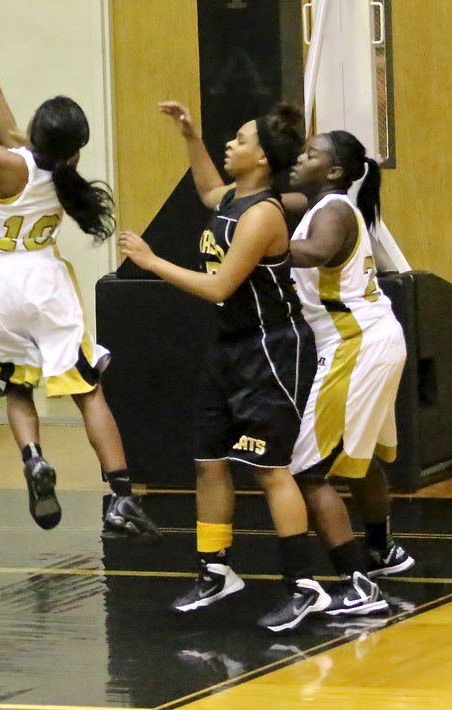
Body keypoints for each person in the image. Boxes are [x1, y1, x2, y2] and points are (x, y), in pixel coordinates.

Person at [0, 39, 160, 543]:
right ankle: (120, 497)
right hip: (42, 283)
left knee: (16, 386)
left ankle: (34, 459)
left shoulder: (1, 161)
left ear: (37, 134)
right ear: (76, 147)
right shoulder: (61, 171)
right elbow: (10, 131)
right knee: (88, 392)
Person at [119, 101, 329, 632]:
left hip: (272, 348)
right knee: (208, 461)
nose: (228, 145)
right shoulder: (234, 197)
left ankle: (304, 587)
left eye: (239, 139)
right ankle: (216, 571)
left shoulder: (263, 214)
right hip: (230, 346)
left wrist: (151, 263)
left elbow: (218, 287)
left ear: (261, 158)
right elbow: (208, 190)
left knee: (267, 469)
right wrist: (190, 135)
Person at [287, 129, 412, 614]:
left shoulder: (334, 210)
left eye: (310, 154)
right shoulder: (320, 204)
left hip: (354, 344)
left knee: (309, 470)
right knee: (359, 457)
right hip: (374, 337)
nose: (300, 159)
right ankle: (382, 550)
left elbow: (315, 254)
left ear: (334, 171)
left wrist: (258, 246)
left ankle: (355, 583)